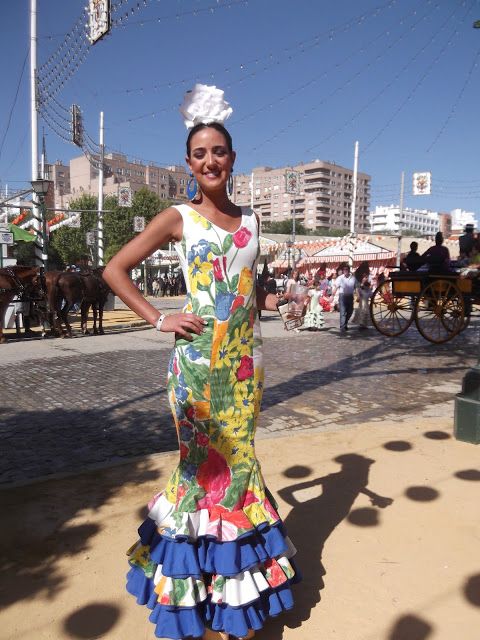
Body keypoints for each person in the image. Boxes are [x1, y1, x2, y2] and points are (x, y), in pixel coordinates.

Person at [103, 85, 299, 640]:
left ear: (232, 158)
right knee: (200, 472)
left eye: (218, 151)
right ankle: (193, 601)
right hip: (193, 366)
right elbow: (115, 270)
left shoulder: (253, 222)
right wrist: (156, 316)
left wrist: (274, 302)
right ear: (188, 163)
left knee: (239, 467)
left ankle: (231, 594)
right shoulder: (176, 217)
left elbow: (246, 287)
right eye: (199, 153)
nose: (210, 160)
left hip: (246, 367)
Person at [334, 264, 357, 334]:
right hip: (342, 296)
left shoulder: (353, 278)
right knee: (343, 312)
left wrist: (359, 295)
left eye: (346, 269)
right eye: (344, 269)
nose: (345, 271)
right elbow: (335, 286)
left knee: (350, 311)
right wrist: (332, 295)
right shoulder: (340, 278)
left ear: (349, 270)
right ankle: (342, 327)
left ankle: (345, 323)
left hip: (350, 296)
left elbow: (357, 287)